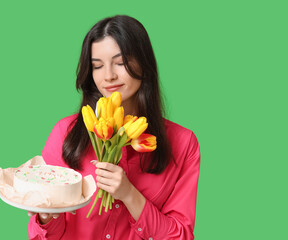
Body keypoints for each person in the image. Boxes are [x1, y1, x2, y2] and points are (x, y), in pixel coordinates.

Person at [27, 15, 200, 240]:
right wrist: (45, 216)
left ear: (144, 65)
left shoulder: (183, 143)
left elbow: (180, 236)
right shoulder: (66, 133)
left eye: (120, 63)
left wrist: (129, 194)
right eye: (97, 66)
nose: (108, 76)